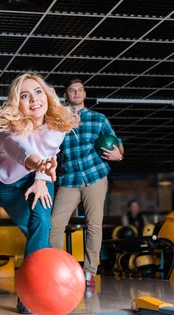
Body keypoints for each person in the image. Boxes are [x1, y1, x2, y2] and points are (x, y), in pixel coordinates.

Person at [0, 72, 80, 314]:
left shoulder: (58, 123)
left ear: (47, 96)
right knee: (35, 229)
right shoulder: (9, 132)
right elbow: (24, 151)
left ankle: (28, 295)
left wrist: (40, 177)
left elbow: (48, 153)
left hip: (41, 175)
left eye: (38, 92)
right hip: (8, 185)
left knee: (41, 222)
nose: (34, 99)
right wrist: (39, 167)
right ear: (16, 104)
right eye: (25, 96)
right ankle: (50, 279)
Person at [49, 78, 124, 288]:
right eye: (72, 90)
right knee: (54, 225)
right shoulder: (59, 122)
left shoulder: (98, 118)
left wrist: (119, 155)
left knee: (94, 225)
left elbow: (117, 142)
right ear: (66, 95)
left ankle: (90, 272)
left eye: (80, 90)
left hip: (95, 176)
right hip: (69, 179)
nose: (76, 93)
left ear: (84, 94)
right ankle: (58, 268)